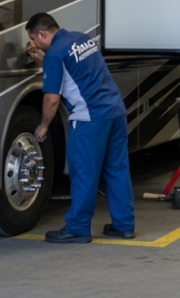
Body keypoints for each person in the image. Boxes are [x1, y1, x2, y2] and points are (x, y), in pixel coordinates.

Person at [25, 13, 136, 243]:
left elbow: (52, 98)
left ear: (42, 33)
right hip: (115, 112)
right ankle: (124, 225)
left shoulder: (55, 53)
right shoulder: (81, 39)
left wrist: (44, 125)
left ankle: (77, 227)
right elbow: (72, 70)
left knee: (84, 172)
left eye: (34, 39)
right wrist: (41, 59)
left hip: (90, 118)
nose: (35, 43)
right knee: (117, 170)